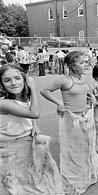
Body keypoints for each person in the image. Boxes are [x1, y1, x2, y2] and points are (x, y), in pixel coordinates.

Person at [40, 51, 98, 194]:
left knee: (86, 146)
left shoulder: (83, 77)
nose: (86, 64)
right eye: (82, 62)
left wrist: (90, 96)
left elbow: (83, 91)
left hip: (85, 117)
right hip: (70, 120)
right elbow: (44, 91)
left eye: (86, 62)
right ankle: (76, 177)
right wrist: (58, 102)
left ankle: (86, 172)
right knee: (73, 150)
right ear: (73, 65)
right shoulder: (64, 80)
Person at [0, 64, 63, 194]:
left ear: (24, 79)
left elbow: (29, 112)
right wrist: (33, 88)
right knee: (15, 184)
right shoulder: (4, 103)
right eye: (7, 80)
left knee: (32, 180)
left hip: (26, 142)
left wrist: (35, 125)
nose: (13, 83)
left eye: (17, 78)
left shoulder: (22, 97)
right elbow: (34, 113)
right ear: (1, 83)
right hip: (9, 148)